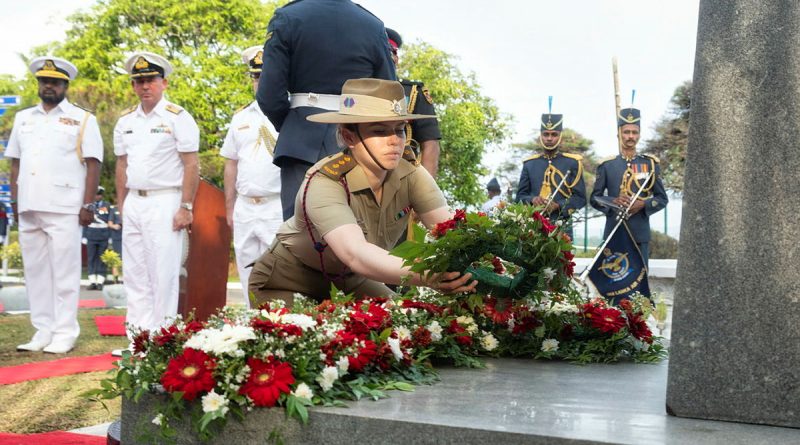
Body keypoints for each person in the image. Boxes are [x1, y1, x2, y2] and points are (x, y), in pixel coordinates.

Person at [249, 78, 476, 305]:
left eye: (399, 130)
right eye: (379, 131)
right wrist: (428, 275)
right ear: (349, 137)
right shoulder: (325, 181)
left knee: (405, 320)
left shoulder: (410, 174)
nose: (394, 141)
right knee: (319, 337)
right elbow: (355, 254)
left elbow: (451, 231)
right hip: (288, 281)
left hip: (350, 279)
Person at [256, 0, 396, 220]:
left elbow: (269, 95)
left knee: (301, 236)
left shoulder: (288, 17)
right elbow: (387, 94)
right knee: (359, 233)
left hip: (301, 145)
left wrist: (295, 126)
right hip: (359, 143)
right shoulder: (372, 24)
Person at [7, 56, 103, 353]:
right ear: (38, 84)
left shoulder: (82, 119)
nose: (49, 86)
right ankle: (42, 330)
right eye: (44, 81)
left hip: (64, 205)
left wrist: (88, 204)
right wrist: (14, 200)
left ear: (65, 85)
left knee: (65, 272)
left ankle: (65, 332)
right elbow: (15, 162)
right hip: (29, 204)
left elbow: (93, 163)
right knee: (35, 272)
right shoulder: (24, 118)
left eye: (55, 82)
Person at [114, 51, 200, 339]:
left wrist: (186, 206)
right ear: (132, 86)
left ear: (164, 83)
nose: (144, 86)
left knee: (162, 274)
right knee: (135, 274)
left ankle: (162, 336)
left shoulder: (178, 117)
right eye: (138, 81)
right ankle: (138, 337)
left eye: (150, 80)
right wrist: (121, 204)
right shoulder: (126, 121)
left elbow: (191, 164)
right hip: (134, 202)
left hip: (166, 200)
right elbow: (122, 164)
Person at [221, 46, 282, 307]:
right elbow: (230, 164)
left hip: (276, 204)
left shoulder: (286, 113)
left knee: (278, 272)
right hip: (245, 206)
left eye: (264, 75)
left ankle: (281, 328)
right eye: (256, 76)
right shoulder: (240, 117)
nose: (260, 82)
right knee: (247, 272)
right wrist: (229, 207)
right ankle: (252, 325)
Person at [590, 107, 668, 265]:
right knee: (613, 284)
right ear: (619, 134)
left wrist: (643, 204)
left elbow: (662, 199)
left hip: (640, 234)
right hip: (614, 231)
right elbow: (594, 198)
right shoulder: (607, 165)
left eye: (634, 132)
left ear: (639, 134)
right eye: (626, 132)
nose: (630, 136)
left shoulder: (650, 164)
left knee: (640, 284)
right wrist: (613, 202)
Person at [516, 111, 586, 240]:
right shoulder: (529, 164)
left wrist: (558, 205)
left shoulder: (572, 163)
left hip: (561, 226)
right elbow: (519, 197)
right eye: (546, 134)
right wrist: (533, 200)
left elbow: (580, 198)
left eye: (554, 134)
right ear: (541, 136)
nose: (549, 138)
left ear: (560, 136)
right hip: (533, 226)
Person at [385, 28, 441, 177]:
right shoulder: (356, 89)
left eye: (393, 52)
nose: (390, 57)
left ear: (397, 58)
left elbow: (430, 145)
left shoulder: (413, 92)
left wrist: (424, 194)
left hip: (402, 178)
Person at [82, 186, 111, 290]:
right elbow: (85, 220)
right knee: (91, 258)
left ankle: (100, 281)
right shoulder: (89, 206)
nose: (97, 196)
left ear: (102, 195)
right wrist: (84, 236)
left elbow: (106, 218)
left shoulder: (106, 205)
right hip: (91, 234)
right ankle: (92, 281)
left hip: (103, 235)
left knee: (102, 259)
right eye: (95, 194)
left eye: (99, 194)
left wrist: (110, 236)